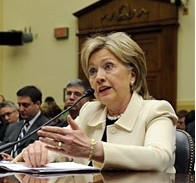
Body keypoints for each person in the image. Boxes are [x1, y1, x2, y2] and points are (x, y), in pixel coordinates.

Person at [14, 32, 177, 173]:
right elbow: (61, 147)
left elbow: (160, 158)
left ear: (132, 74)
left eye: (108, 66)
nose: (99, 77)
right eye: (93, 71)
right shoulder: (90, 111)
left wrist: (93, 149)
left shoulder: (156, 110)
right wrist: (40, 151)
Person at [0, 85, 55, 159]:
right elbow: (4, 148)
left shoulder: (48, 127)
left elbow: (45, 157)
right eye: (19, 105)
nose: (21, 109)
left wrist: (15, 161)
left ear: (38, 104)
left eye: (25, 105)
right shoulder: (12, 127)